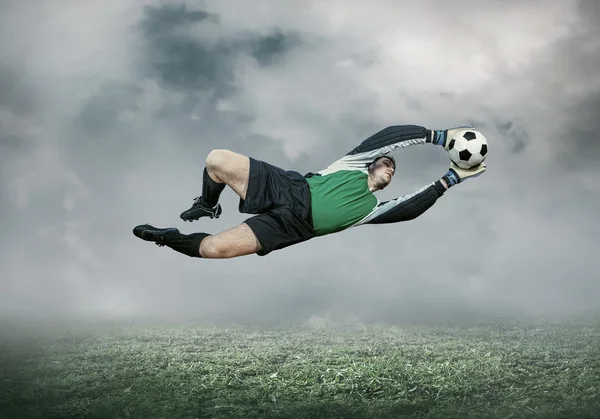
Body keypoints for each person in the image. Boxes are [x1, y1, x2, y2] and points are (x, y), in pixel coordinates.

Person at [133, 124, 486, 258]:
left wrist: (451, 178)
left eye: (393, 170)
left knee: (213, 249)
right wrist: (440, 137)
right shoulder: (351, 165)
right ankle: (208, 205)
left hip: (292, 229)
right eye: (386, 162)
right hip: (291, 188)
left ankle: (167, 238)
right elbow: (388, 137)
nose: (390, 167)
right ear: (371, 163)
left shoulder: (372, 208)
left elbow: (411, 207)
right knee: (217, 159)